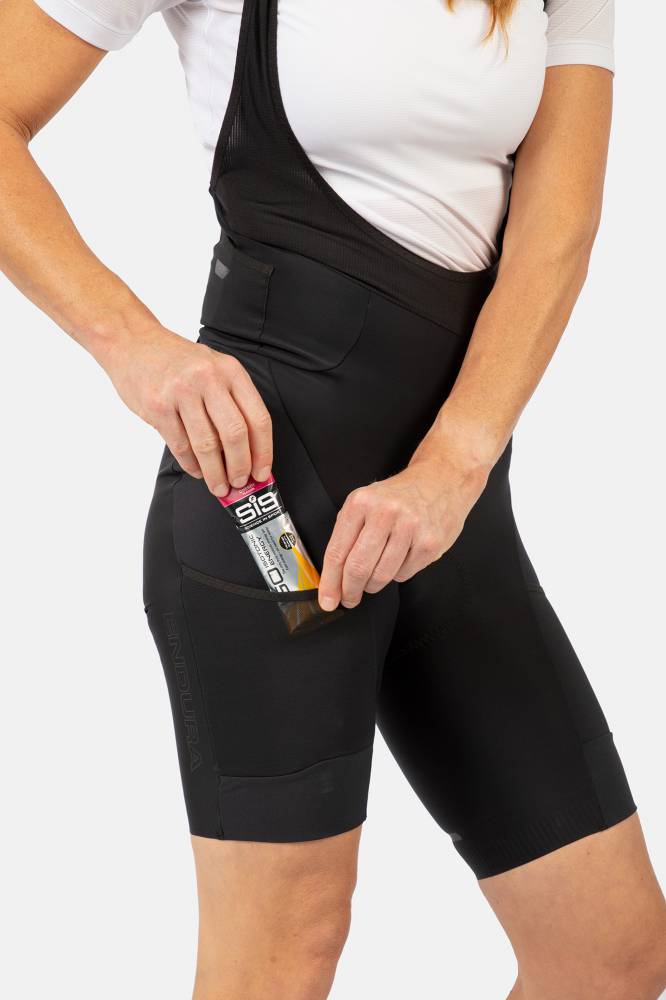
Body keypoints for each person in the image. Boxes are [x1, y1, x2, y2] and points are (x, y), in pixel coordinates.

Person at [1, 0, 665, 997]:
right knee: (286, 951)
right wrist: (130, 345)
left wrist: (453, 465)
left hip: (449, 515)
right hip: (272, 508)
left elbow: (558, 223)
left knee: (610, 954)